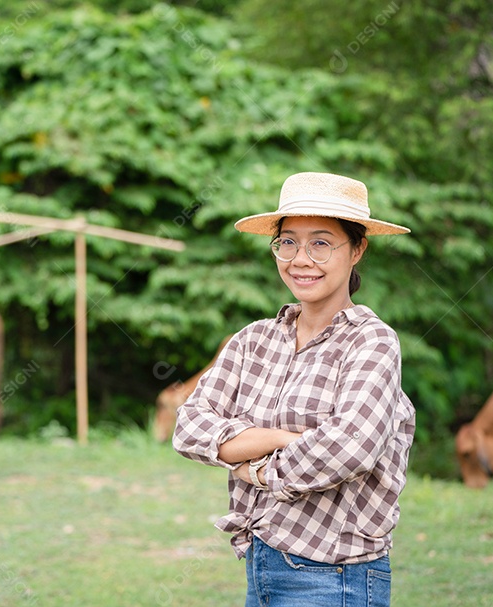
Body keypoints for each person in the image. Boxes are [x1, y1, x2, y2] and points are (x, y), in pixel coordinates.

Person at [172, 171, 416, 607]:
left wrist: (254, 469)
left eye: (321, 243)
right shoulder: (253, 340)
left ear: (357, 249)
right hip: (261, 563)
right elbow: (189, 427)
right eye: (287, 242)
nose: (300, 259)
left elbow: (350, 447)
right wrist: (282, 439)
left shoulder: (372, 342)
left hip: (335, 577)